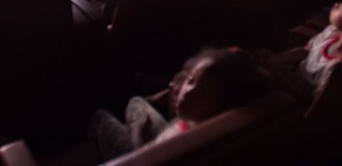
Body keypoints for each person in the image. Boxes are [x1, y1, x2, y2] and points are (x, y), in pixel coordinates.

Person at [89, 48, 268, 161]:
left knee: (99, 116)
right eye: (191, 80)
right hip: (174, 130)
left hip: (140, 153)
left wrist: (136, 131)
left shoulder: (183, 144)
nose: (188, 91)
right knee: (137, 103)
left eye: (204, 94)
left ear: (220, 109)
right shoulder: (209, 124)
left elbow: (144, 159)